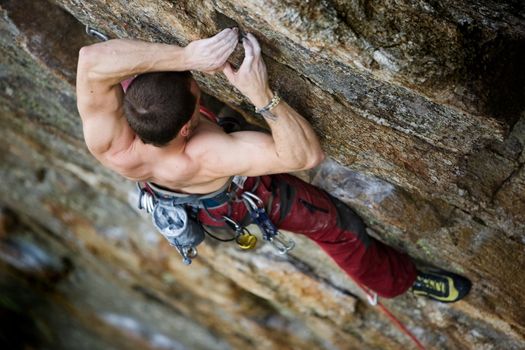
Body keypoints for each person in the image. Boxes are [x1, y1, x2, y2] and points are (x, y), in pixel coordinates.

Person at [76, 28, 470, 302]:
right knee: (338, 229)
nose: (193, 77)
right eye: (194, 85)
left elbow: (91, 59)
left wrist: (186, 56)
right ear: (187, 127)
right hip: (239, 195)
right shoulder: (209, 154)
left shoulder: (110, 141)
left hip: (168, 185)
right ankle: (399, 282)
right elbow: (303, 156)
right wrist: (261, 95)